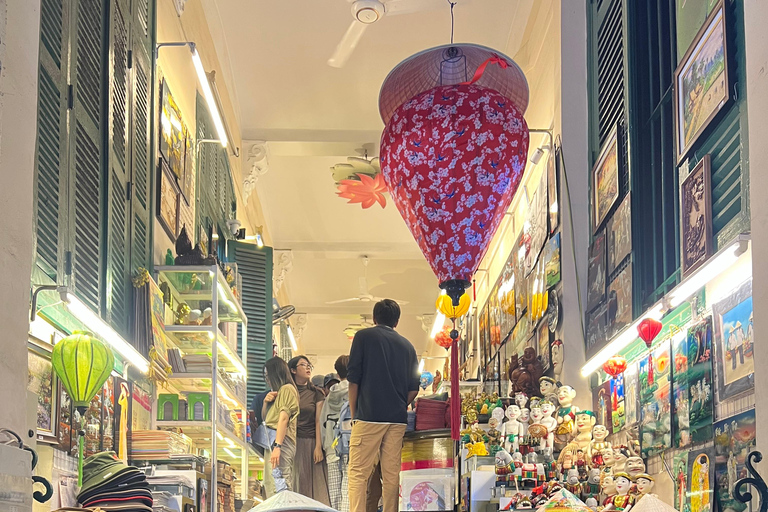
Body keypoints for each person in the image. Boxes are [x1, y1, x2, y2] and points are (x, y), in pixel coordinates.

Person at [347, 299, 419, 512]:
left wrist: (355, 414)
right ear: (397, 321)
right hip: (396, 420)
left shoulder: (363, 337)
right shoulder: (408, 346)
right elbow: (413, 389)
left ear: (374, 318)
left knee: (358, 473)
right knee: (391, 475)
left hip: (368, 416)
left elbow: (353, 380)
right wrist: (398, 404)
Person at [289, 355, 331, 505]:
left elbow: (318, 420)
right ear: (293, 370)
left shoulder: (316, 393)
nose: (307, 368)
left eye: (309, 365)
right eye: (303, 365)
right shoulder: (287, 391)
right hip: (293, 443)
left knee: (316, 488)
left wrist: (318, 446)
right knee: (296, 485)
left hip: (312, 441)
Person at [262, 357, 299, 496]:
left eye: (268, 376)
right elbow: (266, 419)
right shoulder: (278, 393)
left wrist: (278, 446)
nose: (267, 380)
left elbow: (283, 418)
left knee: (280, 485)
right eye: (265, 377)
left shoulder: (287, 389)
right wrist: (266, 402)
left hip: (280, 441)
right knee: (273, 484)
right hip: (274, 441)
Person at [320, 356, 350, 512]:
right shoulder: (356, 392)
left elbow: (322, 424)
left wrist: (325, 447)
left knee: (335, 494)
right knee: (348, 490)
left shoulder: (328, 397)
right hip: (350, 446)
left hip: (331, 447)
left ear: (338, 374)